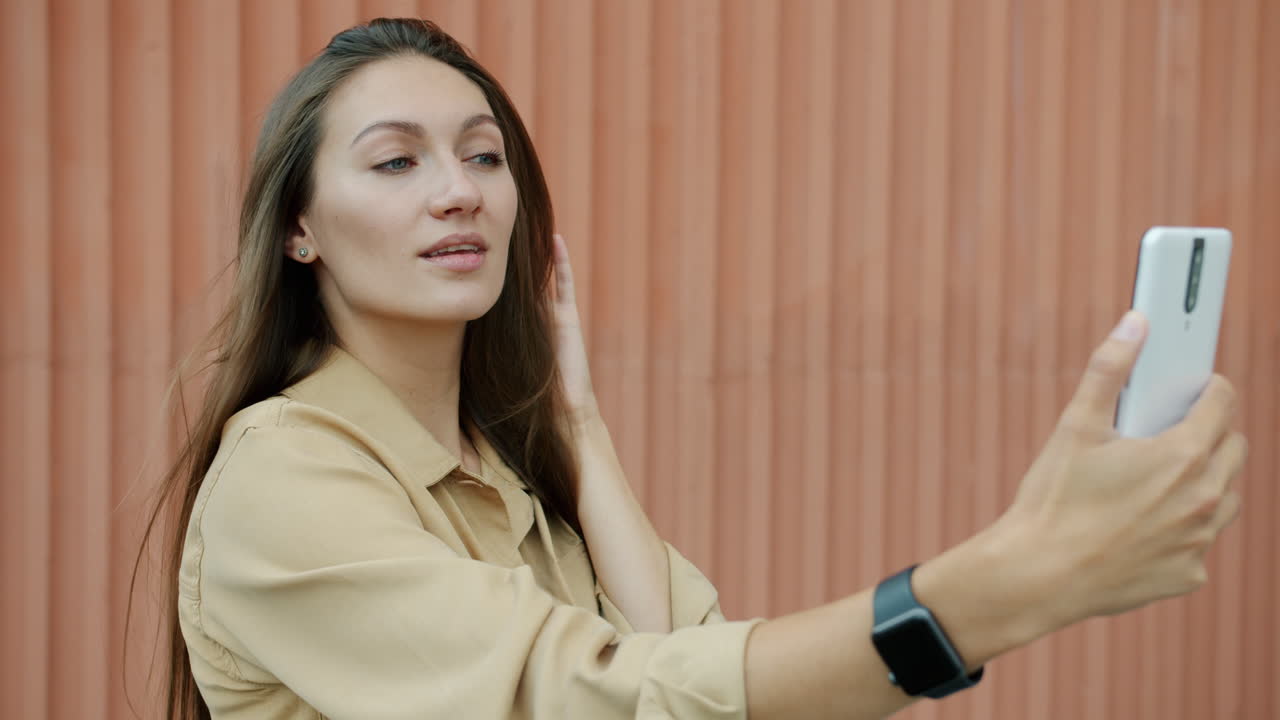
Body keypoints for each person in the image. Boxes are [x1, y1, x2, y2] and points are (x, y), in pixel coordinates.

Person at [140, 17, 1246, 720]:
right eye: (396, 161)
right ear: (298, 230)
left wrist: (580, 428)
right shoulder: (285, 474)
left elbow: (692, 670)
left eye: (484, 155)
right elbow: (586, 699)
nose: (458, 190)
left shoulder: (520, 483)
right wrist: (1003, 581)